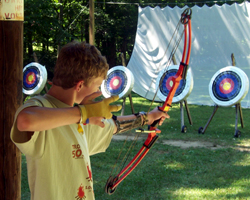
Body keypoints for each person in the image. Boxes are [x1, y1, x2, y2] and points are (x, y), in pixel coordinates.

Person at [10, 41, 169, 200]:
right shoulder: (41, 105)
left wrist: (147, 118)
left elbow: (113, 125)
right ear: (79, 85)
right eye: (97, 85)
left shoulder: (79, 114)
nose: (98, 91)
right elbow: (25, 121)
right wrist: (83, 113)